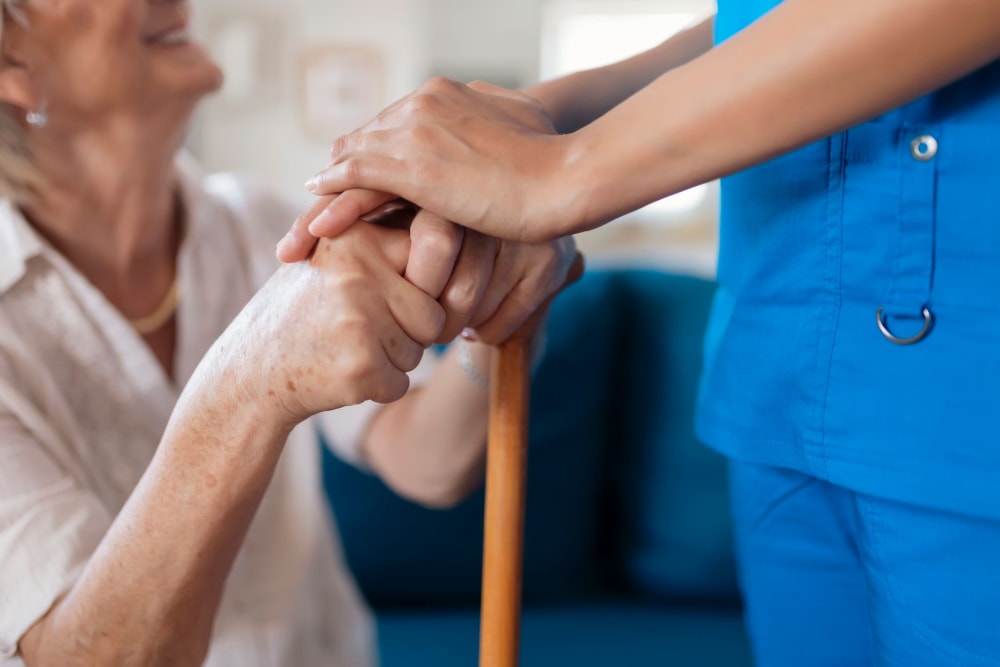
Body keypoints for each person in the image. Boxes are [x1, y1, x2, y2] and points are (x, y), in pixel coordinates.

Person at [279, 2, 1000, 665]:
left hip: (964, 398)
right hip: (779, 381)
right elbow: (765, 18)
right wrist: (542, 117)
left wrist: (564, 173)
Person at [0, 1, 576, 665]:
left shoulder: (263, 226)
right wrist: (250, 382)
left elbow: (428, 460)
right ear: (11, 62)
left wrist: (507, 314)